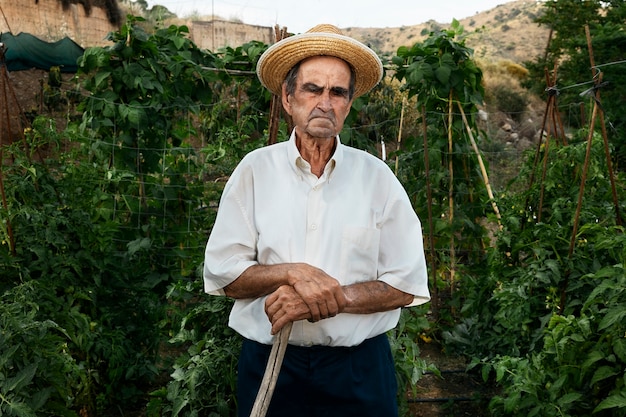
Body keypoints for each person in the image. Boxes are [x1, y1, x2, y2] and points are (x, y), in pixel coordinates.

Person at [203, 23, 430, 417]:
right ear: (288, 99)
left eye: (337, 92)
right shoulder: (255, 171)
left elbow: (405, 284)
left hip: (357, 370)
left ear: (347, 105)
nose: (325, 102)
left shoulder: (378, 179)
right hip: (271, 363)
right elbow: (224, 275)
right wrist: (292, 273)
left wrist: (327, 299)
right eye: (312, 89)